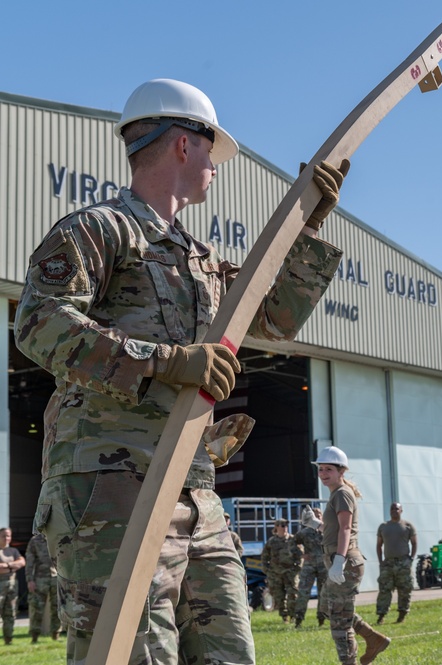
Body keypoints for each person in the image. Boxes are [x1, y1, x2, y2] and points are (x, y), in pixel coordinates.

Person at [13, 77, 349, 663]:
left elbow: (272, 317)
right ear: (181, 144)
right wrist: (165, 362)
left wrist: (307, 226)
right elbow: (39, 323)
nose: (217, 165)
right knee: (134, 654)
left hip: (194, 488)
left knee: (230, 654)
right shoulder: (100, 230)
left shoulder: (197, 259)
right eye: (212, 149)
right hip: (109, 488)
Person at [313, 446, 390, 665]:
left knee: (339, 621)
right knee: (328, 608)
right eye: (320, 469)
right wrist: (316, 524)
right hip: (340, 560)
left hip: (345, 562)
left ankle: (350, 662)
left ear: (341, 471)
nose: (324, 474)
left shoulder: (342, 494)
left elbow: (346, 529)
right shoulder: (337, 494)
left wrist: (339, 560)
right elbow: (335, 529)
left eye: (329, 469)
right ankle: (373, 639)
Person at [375, 502, 418, 625]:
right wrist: (381, 561)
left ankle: (402, 614)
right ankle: (381, 615)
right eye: (392, 508)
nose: (394, 510)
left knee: (404, 589)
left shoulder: (408, 526)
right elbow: (379, 545)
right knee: (384, 589)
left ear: (401, 510)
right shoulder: (383, 527)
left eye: (397, 509)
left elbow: (414, 543)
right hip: (388, 563)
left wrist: (411, 558)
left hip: (403, 562)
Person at [261, 518, 302, 623]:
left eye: (286, 526)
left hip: (290, 573)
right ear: (277, 527)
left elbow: (300, 555)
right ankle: (284, 617)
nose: (285, 528)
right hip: (276, 574)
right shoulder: (271, 542)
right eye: (282, 526)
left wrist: (297, 568)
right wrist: (267, 570)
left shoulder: (293, 540)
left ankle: (293, 616)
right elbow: (264, 557)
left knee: (293, 594)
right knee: (279, 596)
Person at [26, 531, 64, 643]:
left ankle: (55, 634)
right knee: (36, 608)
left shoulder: (58, 537)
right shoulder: (35, 540)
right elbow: (29, 561)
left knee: (57, 607)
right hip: (39, 579)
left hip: (57, 577)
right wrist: (30, 580)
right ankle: (34, 636)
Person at [294, 506, 327, 628]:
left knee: (323, 593)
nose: (318, 516)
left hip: (324, 566)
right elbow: (292, 543)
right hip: (309, 567)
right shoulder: (304, 533)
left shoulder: (327, 531)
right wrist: (301, 554)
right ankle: (298, 619)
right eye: (315, 515)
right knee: (303, 593)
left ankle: (321, 619)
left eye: (319, 515)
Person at [0, 528, 26, 646]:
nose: (7, 538)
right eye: (4, 536)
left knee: (10, 614)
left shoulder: (13, 551)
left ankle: (8, 640)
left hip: (12, 586)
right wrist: (13, 567)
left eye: (8, 536)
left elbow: (22, 562)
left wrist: (7, 566)